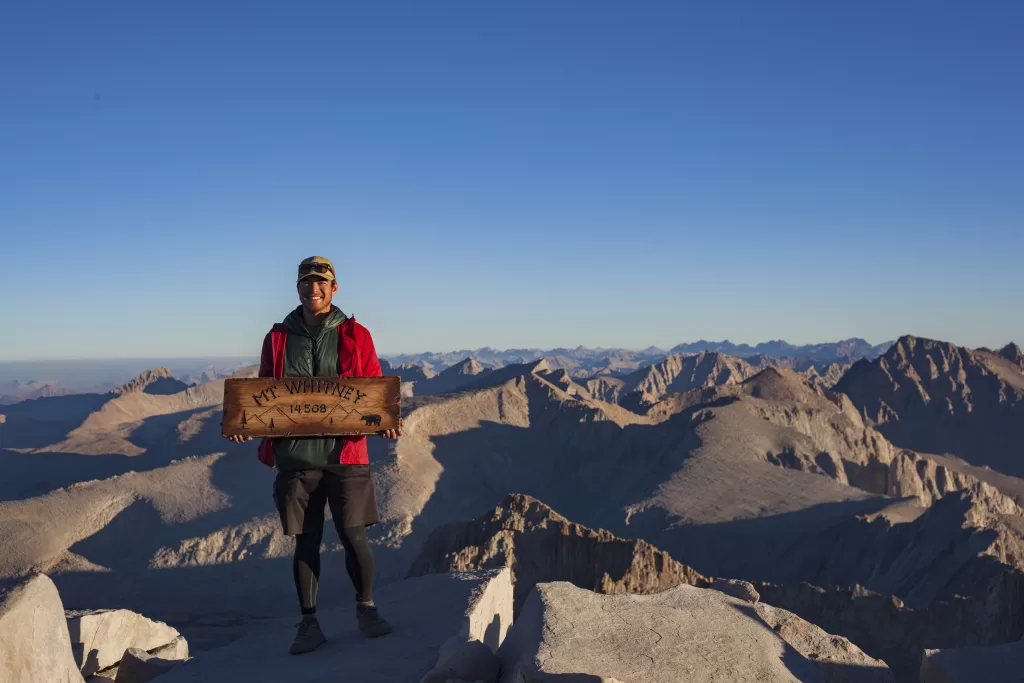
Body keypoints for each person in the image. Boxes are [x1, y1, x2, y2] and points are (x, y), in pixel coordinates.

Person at [227, 255, 401, 655]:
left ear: (334, 288)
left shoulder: (356, 334)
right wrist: (246, 423)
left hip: (347, 454)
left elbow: (374, 386)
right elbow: (263, 390)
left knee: (353, 535)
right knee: (306, 541)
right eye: (306, 282)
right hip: (296, 457)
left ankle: (366, 608)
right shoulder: (278, 338)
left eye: (321, 282)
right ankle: (308, 624)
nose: (314, 288)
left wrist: (385, 421)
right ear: (298, 288)